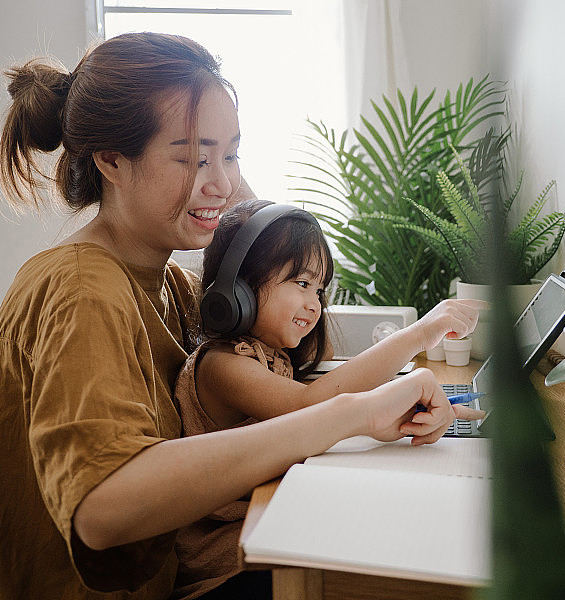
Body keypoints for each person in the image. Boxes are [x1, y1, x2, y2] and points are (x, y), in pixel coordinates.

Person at [0, 32, 483, 600]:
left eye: (231, 155)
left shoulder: (175, 286)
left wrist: (213, 168)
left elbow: (266, 245)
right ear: (111, 160)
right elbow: (103, 509)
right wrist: (351, 414)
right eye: (190, 157)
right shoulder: (82, 288)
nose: (223, 183)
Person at [172, 199, 486, 596]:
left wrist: (405, 407)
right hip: (230, 567)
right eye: (302, 284)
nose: (314, 304)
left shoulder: (270, 356)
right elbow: (310, 408)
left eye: (319, 290)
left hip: (268, 526)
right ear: (240, 288)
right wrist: (419, 334)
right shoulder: (222, 366)